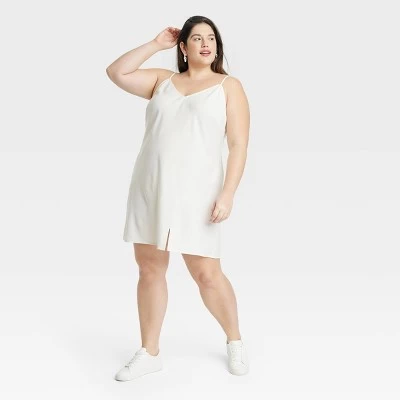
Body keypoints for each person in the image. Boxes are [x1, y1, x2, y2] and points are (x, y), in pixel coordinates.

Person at [106, 15, 250, 381]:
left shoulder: (228, 86)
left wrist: (228, 193)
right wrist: (156, 44)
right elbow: (117, 72)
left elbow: (238, 145)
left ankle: (234, 341)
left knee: (207, 274)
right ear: (183, 47)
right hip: (151, 187)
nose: (206, 43)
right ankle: (149, 351)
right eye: (197, 38)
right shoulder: (162, 81)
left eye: (211, 38)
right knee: (149, 268)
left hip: (199, 193)